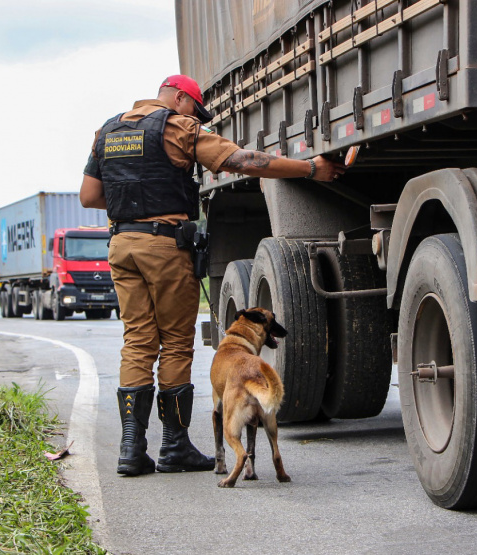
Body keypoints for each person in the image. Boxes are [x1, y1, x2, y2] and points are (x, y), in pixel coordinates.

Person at [80, 74, 345, 477]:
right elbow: (241, 161)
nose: (197, 119)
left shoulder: (107, 132)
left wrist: (134, 202)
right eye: (195, 110)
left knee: (137, 342)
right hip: (163, 247)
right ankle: (174, 448)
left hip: (122, 245)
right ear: (180, 98)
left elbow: (90, 197)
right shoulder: (175, 127)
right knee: (174, 344)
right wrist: (310, 169)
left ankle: (131, 451)